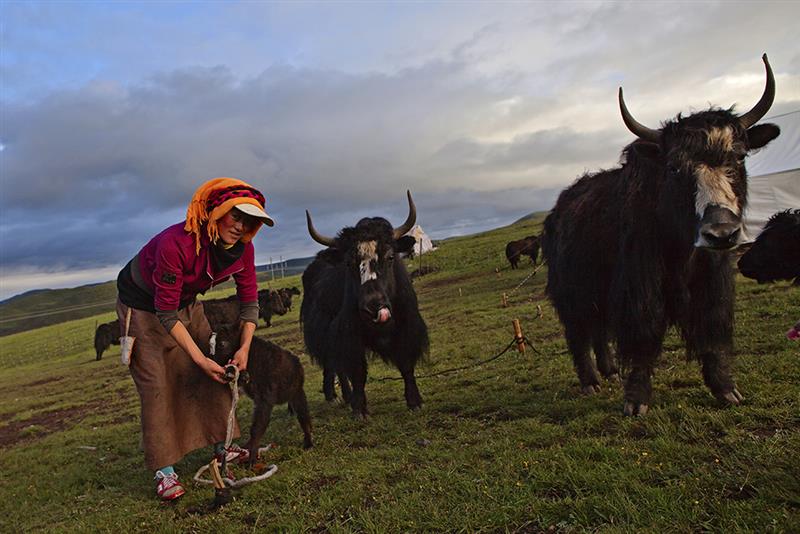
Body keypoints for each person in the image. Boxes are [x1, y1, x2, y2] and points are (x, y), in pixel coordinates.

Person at [116, 177, 274, 501]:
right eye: (236, 216)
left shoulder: (244, 250)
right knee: (158, 384)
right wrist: (197, 360)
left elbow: (249, 302)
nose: (241, 227)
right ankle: (165, 471)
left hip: (186, 304)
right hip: (145, 309)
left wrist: (244, 348)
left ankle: (222, 446)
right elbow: (165, 312)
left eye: (250, 221)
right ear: (217, 213)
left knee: (216, 367)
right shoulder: (176, 244)